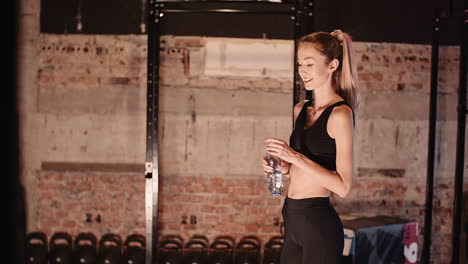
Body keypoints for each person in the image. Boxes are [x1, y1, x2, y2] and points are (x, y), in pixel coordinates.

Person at [262, 30, 359, 264]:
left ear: (332, 65)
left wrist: (294, 157)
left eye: (309, 64)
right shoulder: (300, 109)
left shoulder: (340, 114)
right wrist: (284, 167)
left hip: (318, 222)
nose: (302, 71)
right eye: (299, 64)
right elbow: (301, 167)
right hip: (292, 216)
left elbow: (343, 187)